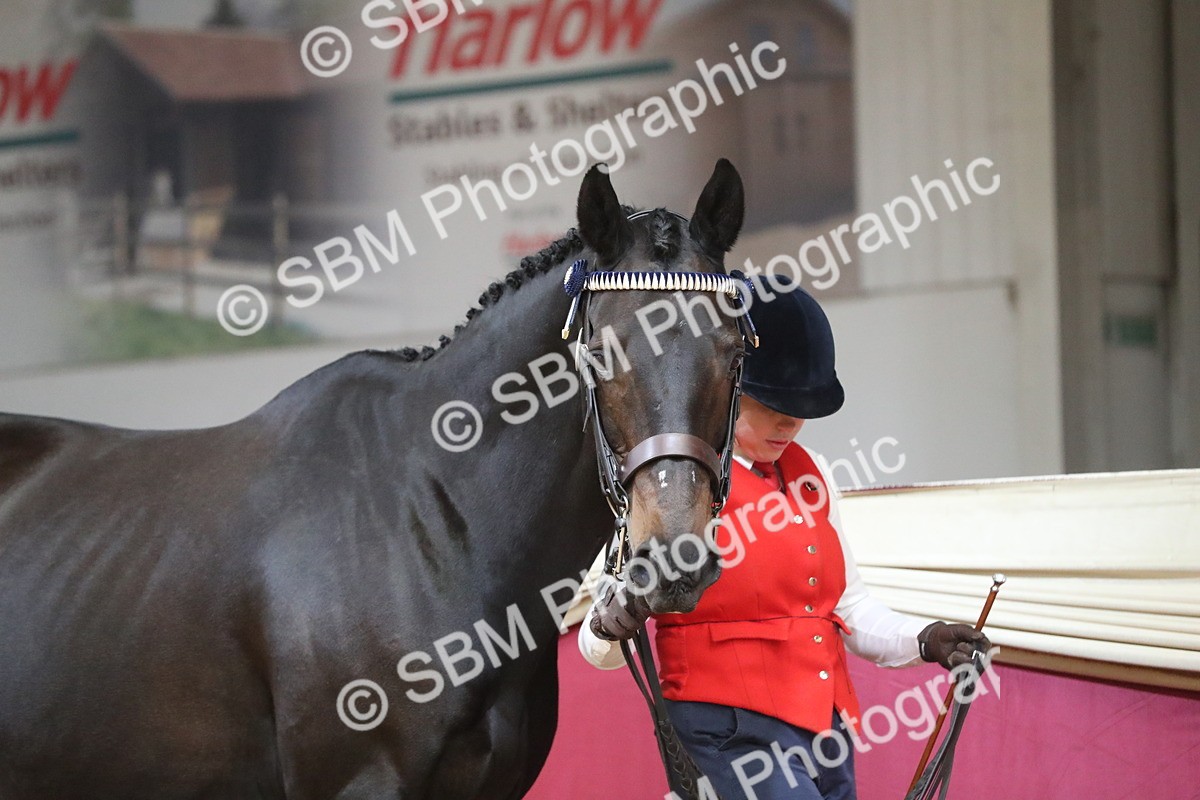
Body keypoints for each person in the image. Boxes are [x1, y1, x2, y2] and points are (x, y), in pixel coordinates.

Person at [577, 278, 990, 800]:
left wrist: (924, 639)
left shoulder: (812, 472)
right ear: (723, 390)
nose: (792, 423)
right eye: (772, 404)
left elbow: (847, 607)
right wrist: (620, 613)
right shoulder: (672, 489)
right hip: (727, 733)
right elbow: (599, 648)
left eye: (802, 410)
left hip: (823, 730)